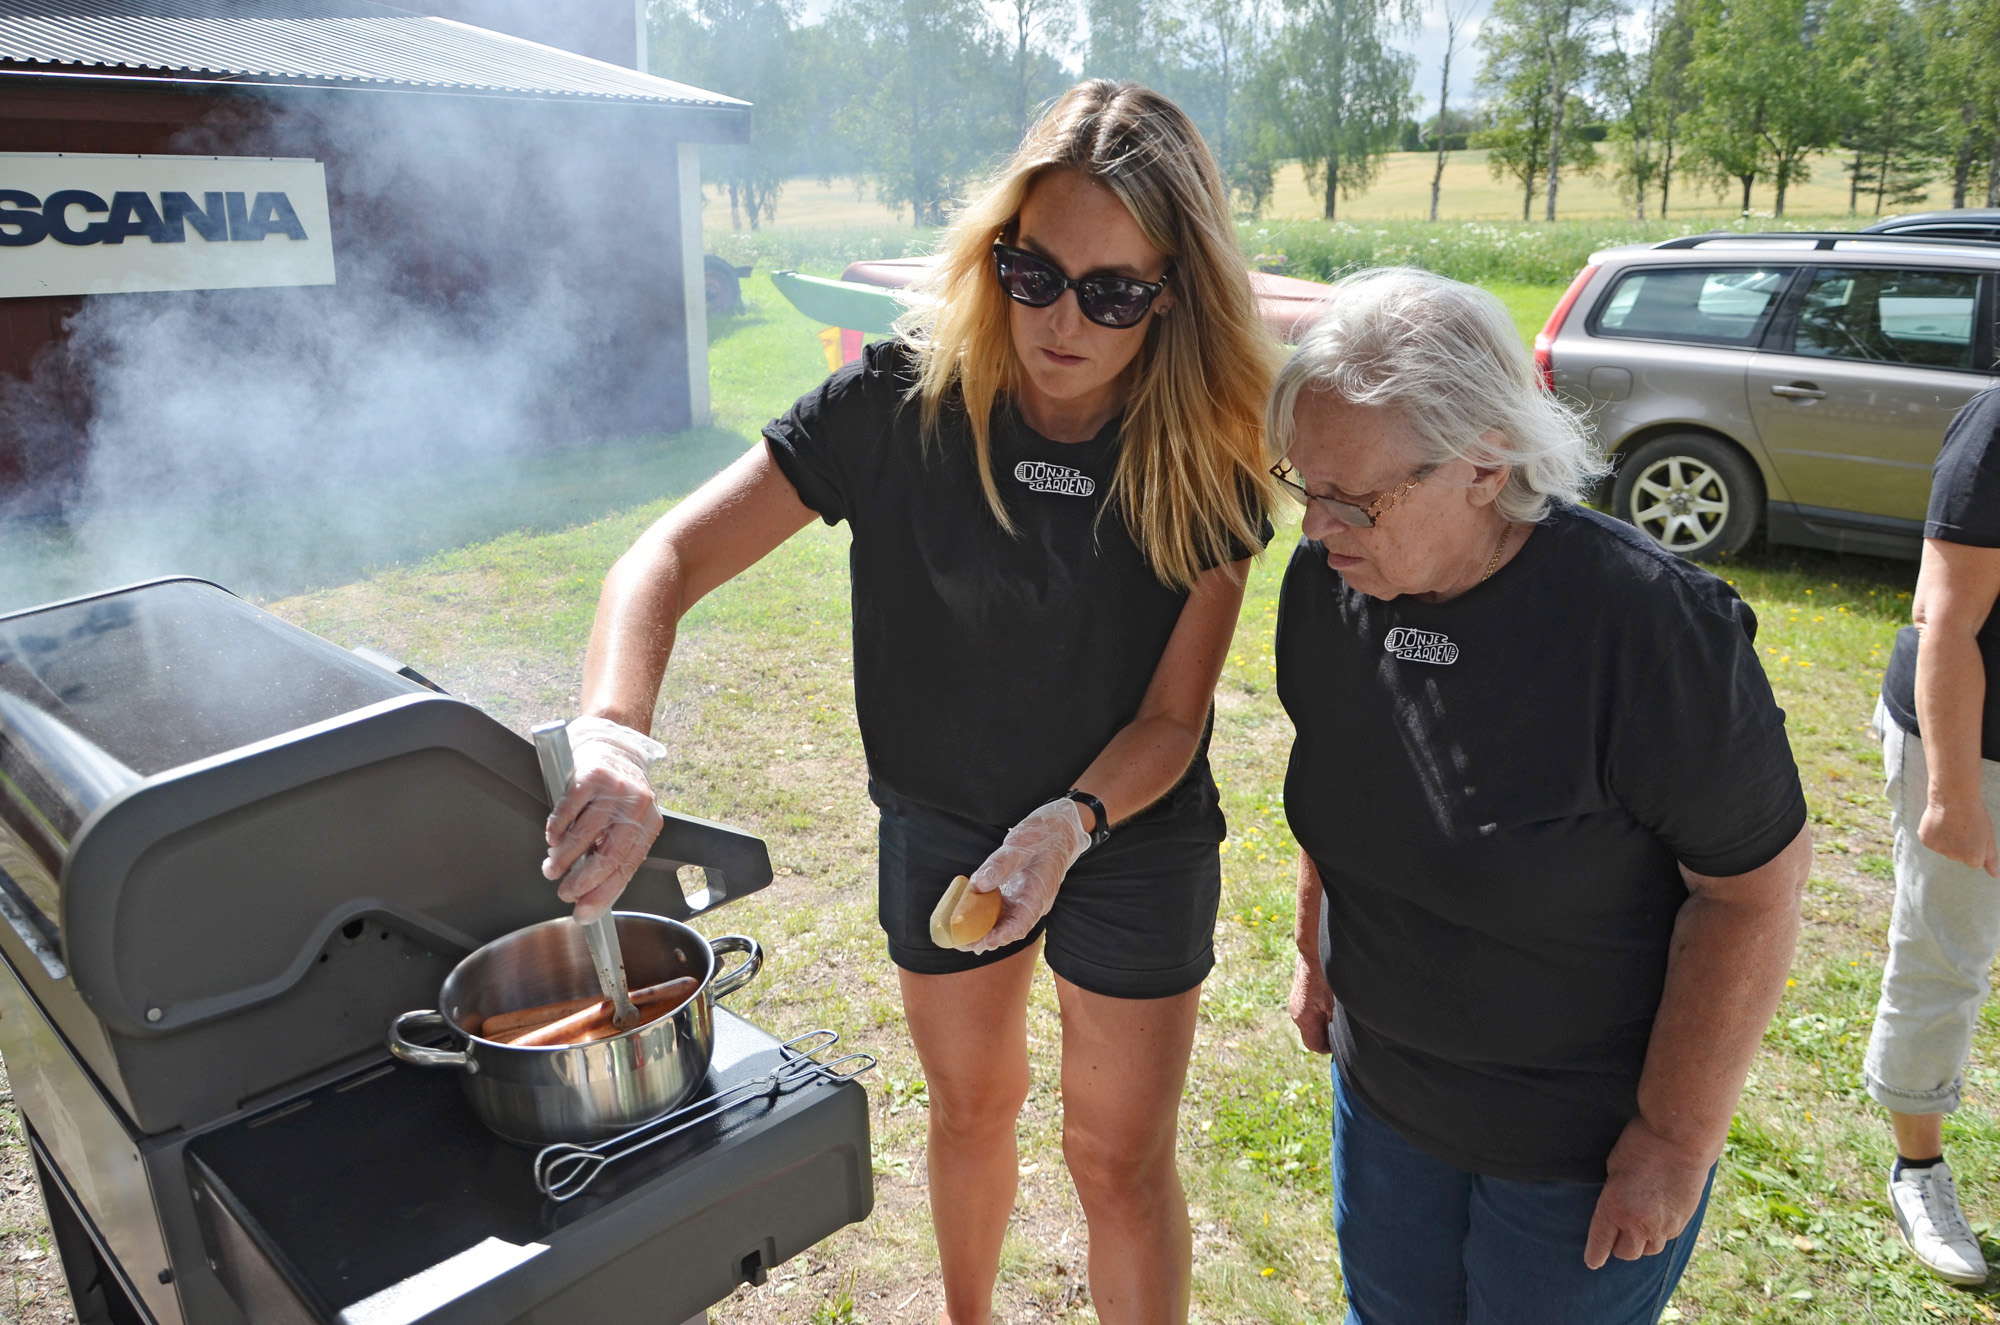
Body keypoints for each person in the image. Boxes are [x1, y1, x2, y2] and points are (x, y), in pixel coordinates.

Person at [537, 81, 1275, 1325]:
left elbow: (1172, 718)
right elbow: (659, 564)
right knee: (971, 1104)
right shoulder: (896, 403)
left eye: (1112, 293)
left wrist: (1068, 822)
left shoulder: (1203, 446)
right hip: (939, 815)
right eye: (1032, 272)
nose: (1060, 321)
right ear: (995, 251)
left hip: (1127, 829)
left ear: (1171, 295)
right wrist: (612, 730)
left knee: (1115, 1158)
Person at [1271, 268, 1813, 1323]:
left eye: (1353, 498)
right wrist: (1313, 950)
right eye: (1302, 484)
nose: (1314, 527)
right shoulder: (1331, 584)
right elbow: (1335, 774)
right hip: (1387, 1098)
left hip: (1576, 1147)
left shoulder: (1647, 630)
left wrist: (1671, 1139)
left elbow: (1751, 889)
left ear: (1483, 459)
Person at [1863, 385, 2000, 1286]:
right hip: (1972, 745)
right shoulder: (1996, 430)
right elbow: (1945, 615)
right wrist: (1952, 792)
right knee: (1947, 952)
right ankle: (1918, 1168)